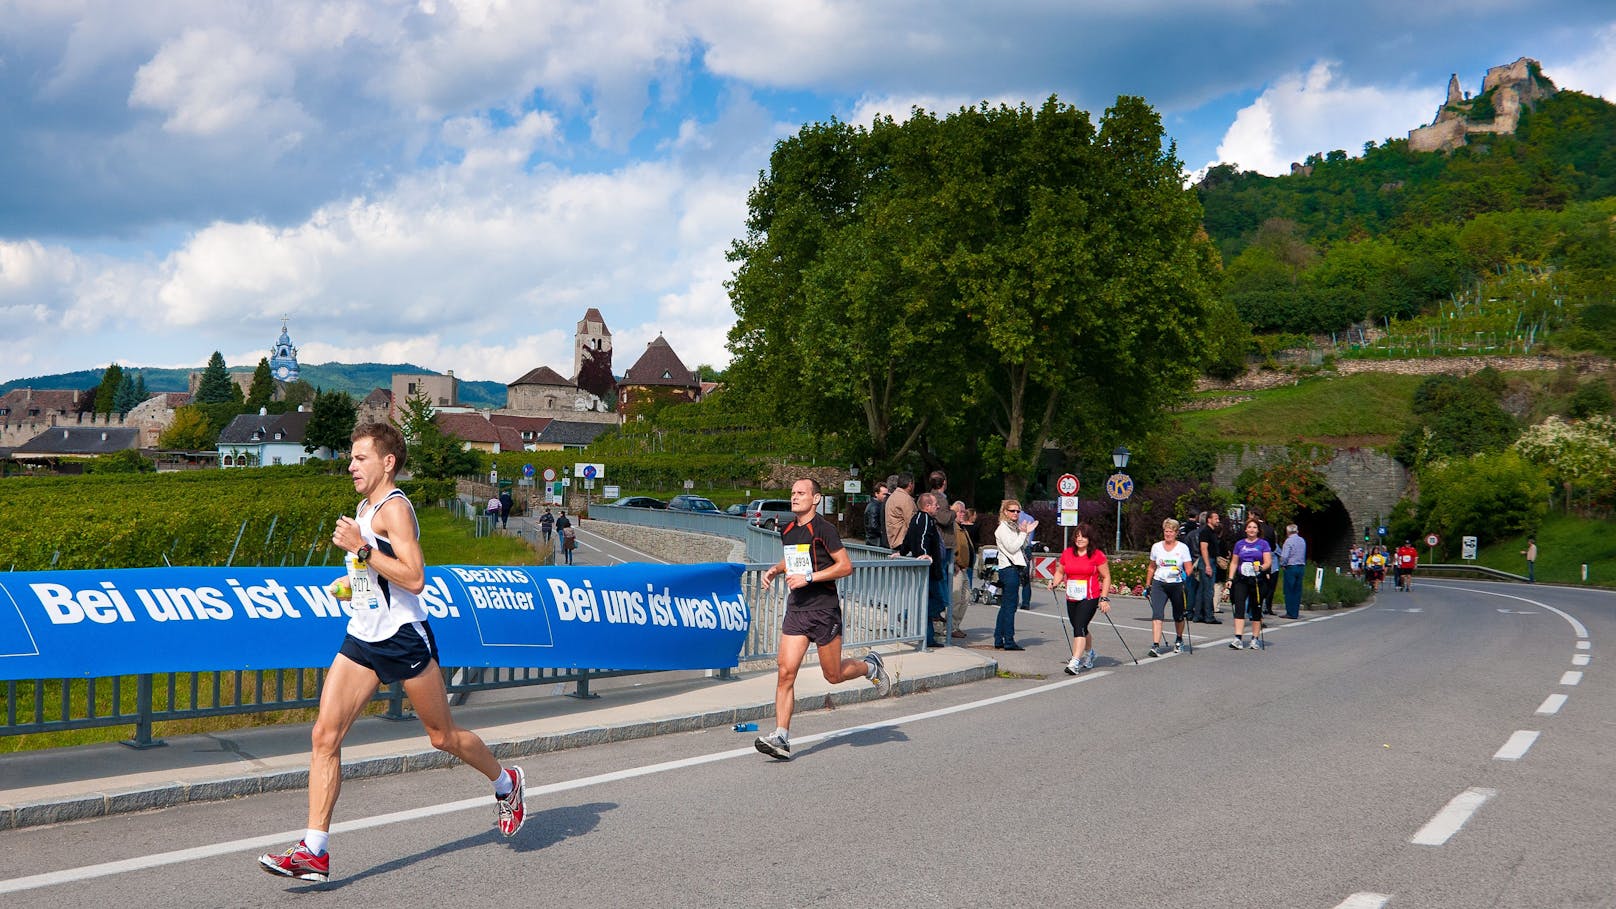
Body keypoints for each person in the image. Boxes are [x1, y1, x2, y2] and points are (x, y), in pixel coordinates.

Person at [259, 423, 525, 883]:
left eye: (360, 457)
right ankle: (314, 850)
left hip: (403, 637)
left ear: (387, 462)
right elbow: (375, 575)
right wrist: (351, 584)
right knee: (325, 735)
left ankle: (507, 783)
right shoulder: (363, 507)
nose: (350, 465)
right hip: (363, 636)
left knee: (442, 737)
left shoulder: (395, 508)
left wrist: (360, 550)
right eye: (350, 457)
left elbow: (415, 577)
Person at [755, 478, 894, 761]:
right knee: (785, 672)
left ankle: (870, 666)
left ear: (816, 499)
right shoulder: (789, 529)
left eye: (801, 493)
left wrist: (809, 578)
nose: (794, 497)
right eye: (792, 492)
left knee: (832, 675)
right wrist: (775, 569)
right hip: (797, 609)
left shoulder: (825, 529)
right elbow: (796, 560)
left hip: (824, 610)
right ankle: (781, 735)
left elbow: (845, 566)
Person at [1048, 523, 1112, 674]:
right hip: (1072, 596)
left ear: (1089, 538)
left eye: (1083, 536)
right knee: (1080, 627)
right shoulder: (1068, 553)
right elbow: (1060, 571)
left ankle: (1075, 662)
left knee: (1079, 627)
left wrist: (1104, 598)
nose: (1080, 539)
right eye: (1077, 536)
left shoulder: (1097, 555)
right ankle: (1090, 654)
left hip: (1090, 596)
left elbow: (1106, 576)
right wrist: (1055, 582)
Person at [897, 492, 947, 648]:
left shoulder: (917, 518)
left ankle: (929, 638)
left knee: (926, 601)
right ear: (927, 506)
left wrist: (902, 552)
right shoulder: (925, 520)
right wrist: (924, 554)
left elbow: (908, 537)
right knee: (940, 602)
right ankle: (909, 615)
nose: (938, 506)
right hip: (929, 571)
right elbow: (923, 538)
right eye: (935, 504)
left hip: (929, 569)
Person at [1144, 518, 1192, 656]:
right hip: (1159, 583)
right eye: (1166, 531)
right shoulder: (1157, 547)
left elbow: (1188, 569)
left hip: (1176, 584)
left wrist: (1184, 574)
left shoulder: (1182, 548)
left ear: (1176, 533)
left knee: (1178, 615)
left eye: (1171, 532)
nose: (1168, 534)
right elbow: (1152, 567)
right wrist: (1148, 585)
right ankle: (1155, 645)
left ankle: (1179, 639)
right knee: (1157, 614)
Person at [992, 500, 1034, 650]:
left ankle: (999, 638)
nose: (1015, 513)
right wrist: (1023, 533)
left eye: (1017, 511)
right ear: (1005, 512)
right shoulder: (1003, 529)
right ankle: (1008, 640)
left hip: (1013, 568)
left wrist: (1025, 533)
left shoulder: (1013, 527)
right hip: (1008, 569)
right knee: (1010, 606)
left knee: (1006, 606)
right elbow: (1012, 547)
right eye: (1012, 511)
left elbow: (1021, 547)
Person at [1226, 518, 1272, 650]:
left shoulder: (1263, 544)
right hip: (1242, 579)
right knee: (1239, 606)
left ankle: (1255, 638)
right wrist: (1230, 579)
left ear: (1258, 530)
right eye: (1249, 527)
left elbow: (1268, 561)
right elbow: (1234, 562)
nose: (1252, 530)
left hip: (1257, 580)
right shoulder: (1239, 544)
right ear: (1245, 529)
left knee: (1255, 608)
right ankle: (1238, 638)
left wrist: (1262, 568)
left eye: (1254, 528)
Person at [951, 501, 976, 639]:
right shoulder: (953, 528)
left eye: (964, 511)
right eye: (959, 511)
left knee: (965, 598)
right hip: (957, 568)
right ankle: (950, 627)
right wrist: (954, 562)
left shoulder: (962, 528)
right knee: (955, 599)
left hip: (964, 568)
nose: (962, 514)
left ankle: (955, 625)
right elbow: (950, 546)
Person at [1194, 511, 1224, 624]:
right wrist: (1207, 565)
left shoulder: (1212, 532)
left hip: (1210, 561)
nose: (1218, 520)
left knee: (1202, 589)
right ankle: (1208, 616)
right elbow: (1204, 548)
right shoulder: (1206, 531)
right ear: (1209, 519)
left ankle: (1198, 615)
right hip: (1207, 561)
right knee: (1208, 590)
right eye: (1215, 518)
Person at [1278, 524, 1308, 619]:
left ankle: (1290, 612)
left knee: (1289, 590)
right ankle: (1295, 612)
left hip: (1291, 567)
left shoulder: (1288, 541)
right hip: (1300, 566)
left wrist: (1282, 564)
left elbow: (1285, 556)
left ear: (1288, 532)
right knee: (1297, 590)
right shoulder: (1302, 540)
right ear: (1297, 531)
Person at [883, 473, 916, 556]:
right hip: (903, 543)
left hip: (894, 540)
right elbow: (913, 523)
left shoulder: (892, 497)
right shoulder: (905, 499)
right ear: (910, 484)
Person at [864, 482, 889, 548]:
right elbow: (873, 526)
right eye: (884, 494)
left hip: (875, 541)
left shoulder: (875, 505)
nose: (886, 496)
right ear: (876, 494)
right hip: (876, 542)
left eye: (887, 494)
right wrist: (884, 532)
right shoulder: (875, 507)